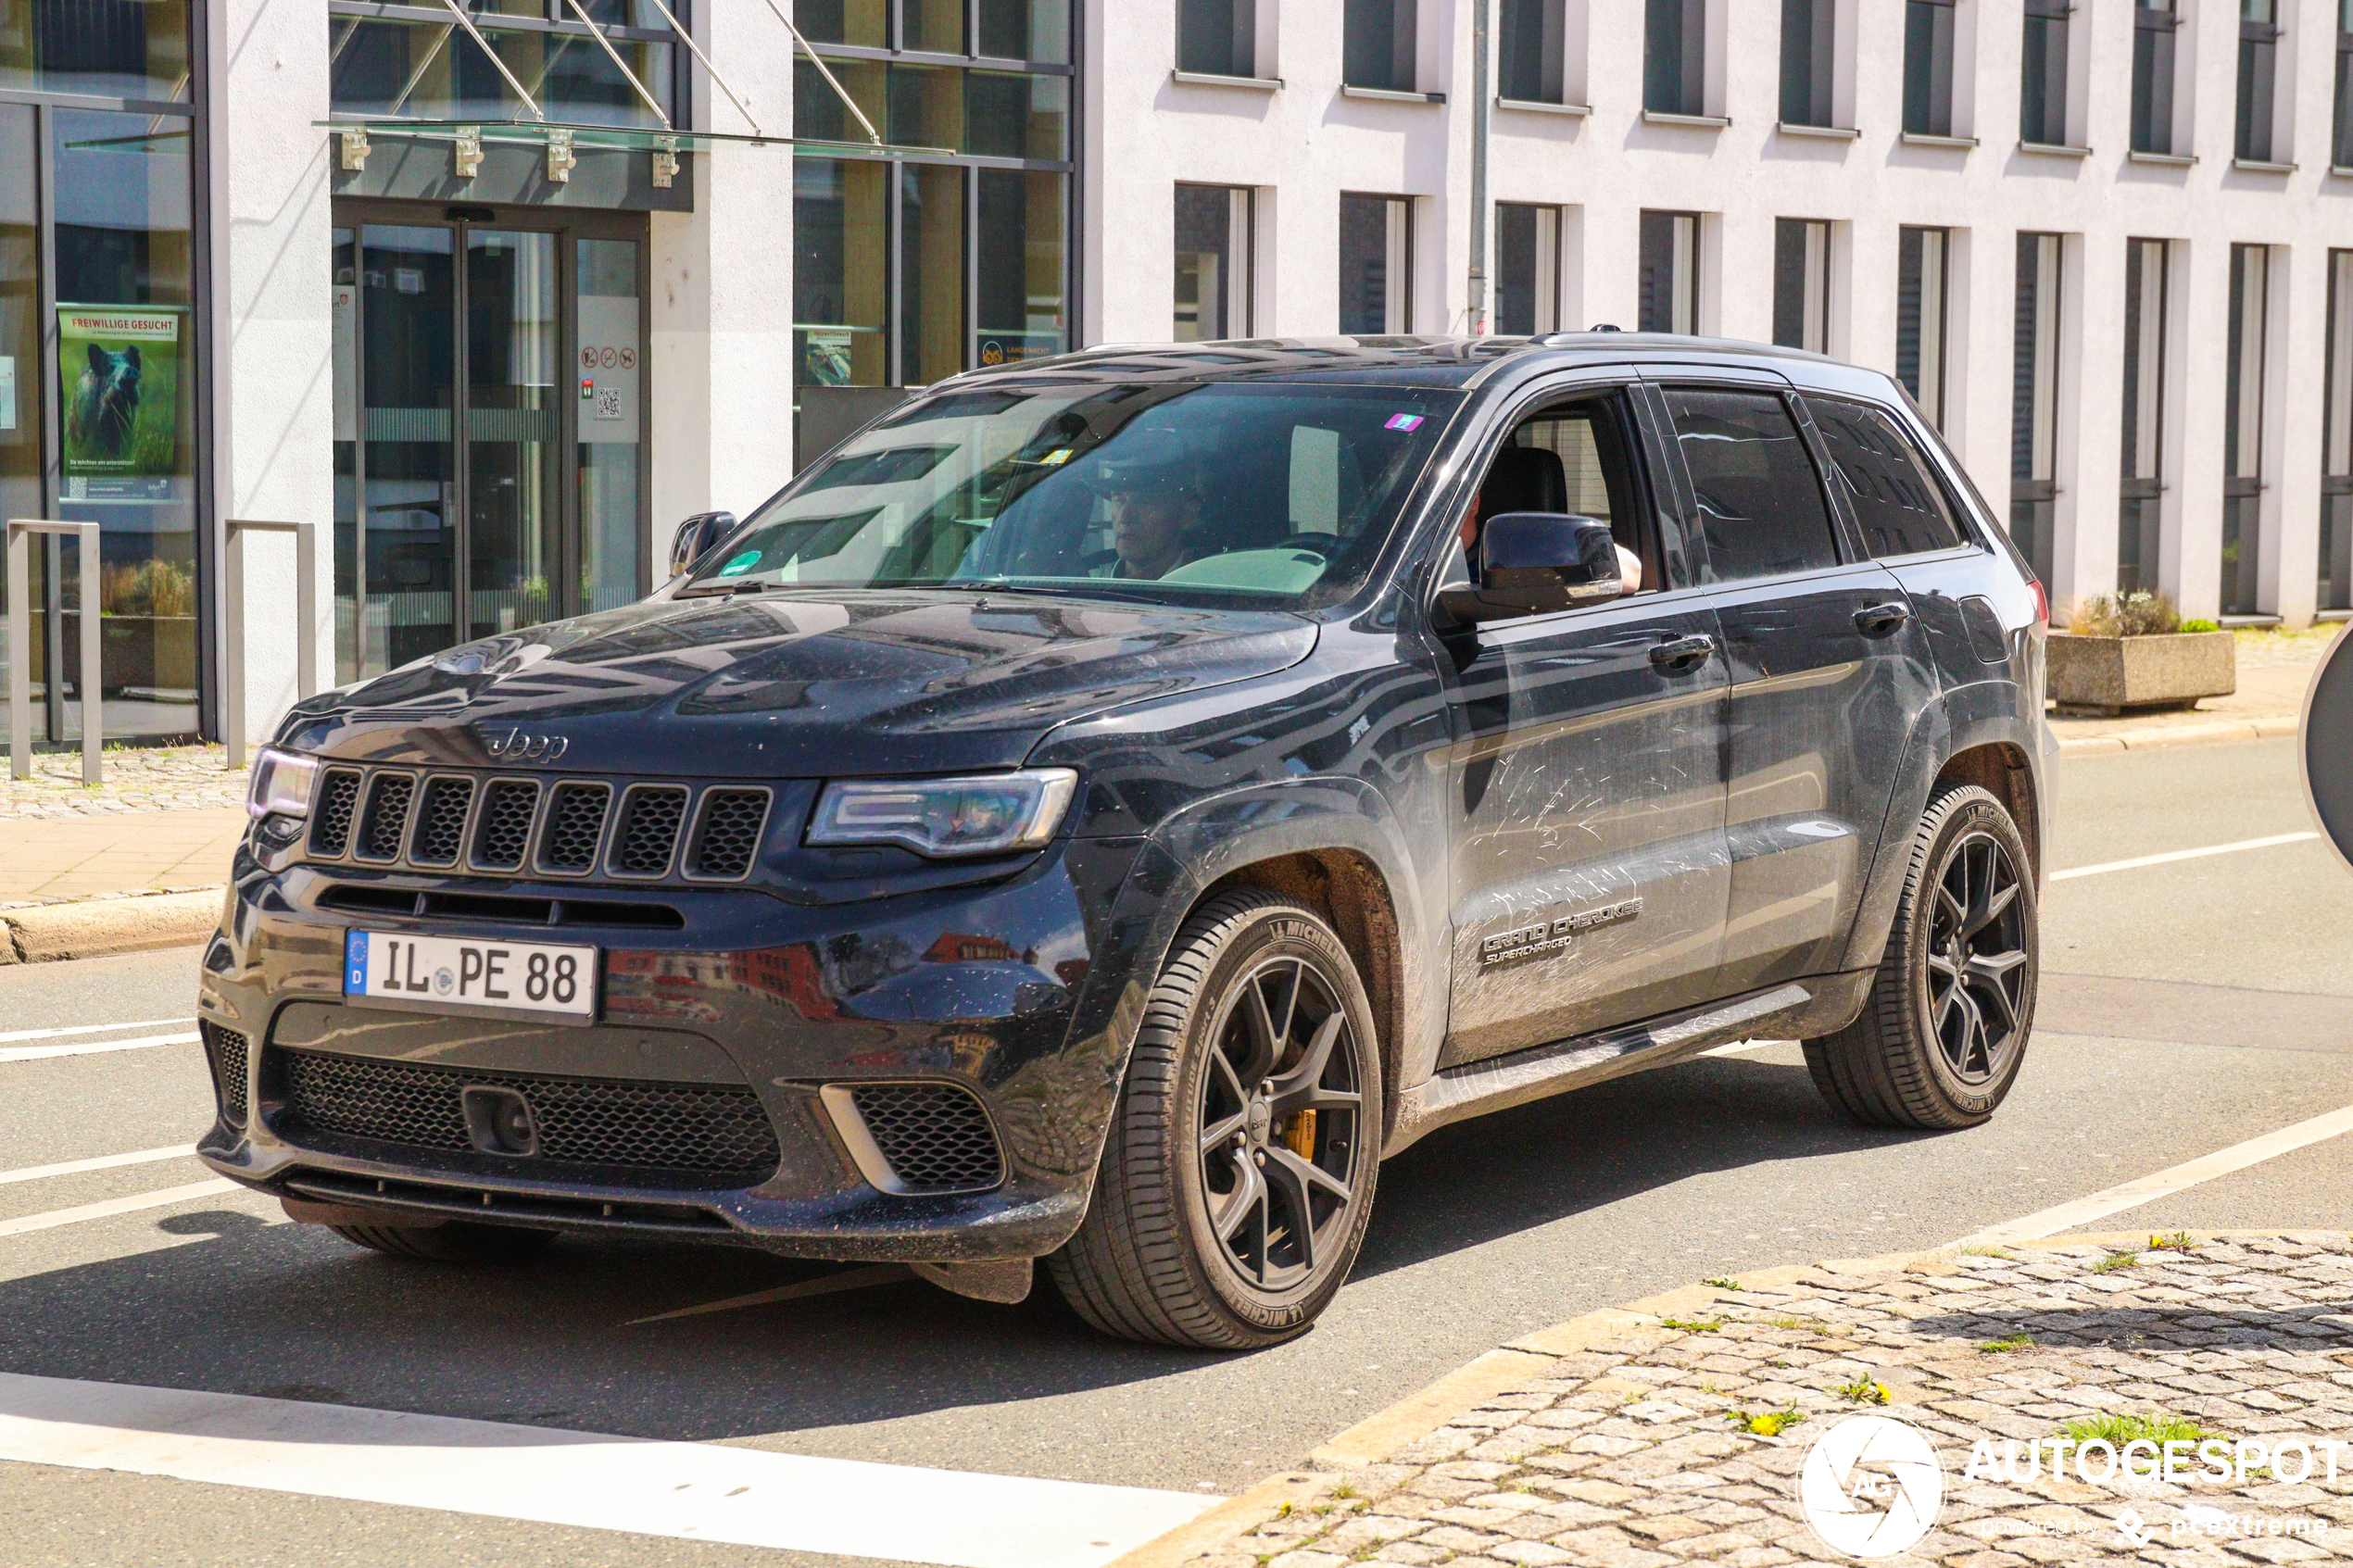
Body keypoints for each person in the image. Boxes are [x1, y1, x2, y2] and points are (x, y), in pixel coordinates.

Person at [1458, 493, 1644, 596]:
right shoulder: (1430, 567)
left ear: (1474, 501)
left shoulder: (1511, 551)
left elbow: (1631, 570)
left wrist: (1564, 546)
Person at [1090, 443, 1205, 581]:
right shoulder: (1084, 581)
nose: (1125, 517)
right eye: (1119, 499)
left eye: (1145, 501)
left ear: (1188, 514)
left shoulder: (1212, 586)